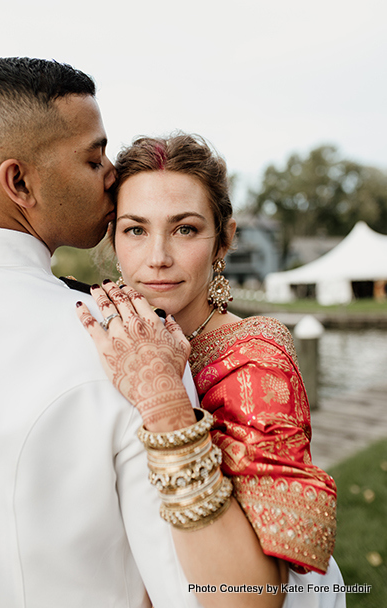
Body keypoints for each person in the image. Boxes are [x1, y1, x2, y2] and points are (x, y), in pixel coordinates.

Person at [77, 134, 346, 608]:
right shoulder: (99, 330)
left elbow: (253, 595)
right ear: (112, 236)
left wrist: (166, 402)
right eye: (136, 229)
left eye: (184, 229)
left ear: (224, 238)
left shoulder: (255, 357)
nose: (157, 256)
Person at [0, 58, 202, 608]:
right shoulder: (122, 343)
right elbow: (200, 592)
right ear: (20, 182)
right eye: (93, 156)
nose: (112, 173)